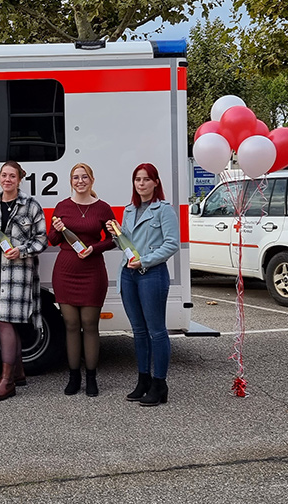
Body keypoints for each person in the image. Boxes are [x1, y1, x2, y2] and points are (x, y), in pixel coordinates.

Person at [108, 163, 180, 407]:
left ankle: (160, 384)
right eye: (137, 180)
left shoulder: (164, 210)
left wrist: (144, 261)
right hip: (129, 274)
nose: (141, 184)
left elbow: (171, 245)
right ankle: (143, 380)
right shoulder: (130, 210)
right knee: (138, 331)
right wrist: (115, 235)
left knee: (156, 331)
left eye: (146, 179)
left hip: (151, 274)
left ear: (156, 183)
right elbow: (126, 244)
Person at [0, 161, 47, 401]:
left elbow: (41, 240)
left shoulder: (30, 205)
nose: (7, 179)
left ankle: (7, 381)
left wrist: (22, 251)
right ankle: (18, 372)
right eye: (4, 175)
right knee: (5, 320)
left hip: (18, 272)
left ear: (19, 179)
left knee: (5, 319)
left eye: (12, 176)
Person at [49, 163, 115, 397]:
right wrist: (57, 228)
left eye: (84, 177)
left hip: (92, 271)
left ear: (92, 180)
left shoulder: (103, 208)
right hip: (66, 270)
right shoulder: (63, 206)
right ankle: (73, 376)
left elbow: (114, 239)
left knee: (90, 325)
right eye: (76, 177)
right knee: (71, 326)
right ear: (71, 181)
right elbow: (52, 239)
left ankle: (92, 377)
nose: (80, 181)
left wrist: (94, 249)